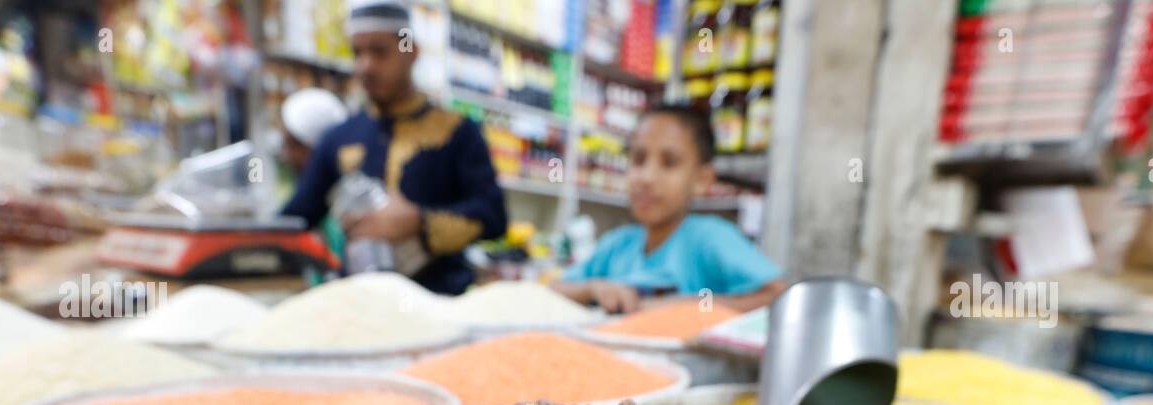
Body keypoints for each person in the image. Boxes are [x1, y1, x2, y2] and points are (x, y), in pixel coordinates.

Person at [281, 0, 507, 295]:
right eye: (358, 53)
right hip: (360, 303)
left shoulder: (457, 132)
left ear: (409, 51)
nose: (365, 66)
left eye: (379, 51)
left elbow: (493, 216)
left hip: (440, 300)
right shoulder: (339, 137)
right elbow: (296, 218)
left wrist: (418, 221)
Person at [554, 105, 783, 314]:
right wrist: (593, 288)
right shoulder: (617, 244)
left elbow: (777, 295)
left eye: (670, 162)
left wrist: (683, 307)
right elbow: (555, 289)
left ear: (702, 179)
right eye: (638, 159)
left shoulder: (709, 238)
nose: (646, 177)